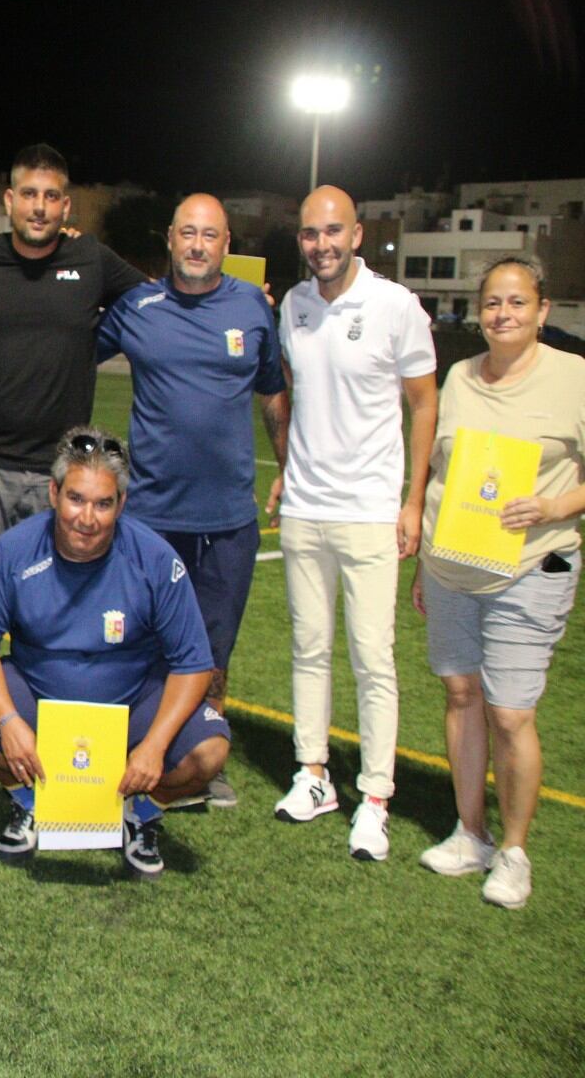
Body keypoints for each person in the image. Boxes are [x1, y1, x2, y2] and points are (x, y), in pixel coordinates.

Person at [0, 427, 230, 877]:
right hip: (40, 697)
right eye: (76, 499)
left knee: (210, 752)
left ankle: (140, 812)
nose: (88, 517)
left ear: (121, 504)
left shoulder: (155, 559)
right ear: (53, 493)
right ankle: (32, 802)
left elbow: (194, 663)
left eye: (103, 504)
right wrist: (9, 723)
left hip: (132, 701)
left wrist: (154, 746)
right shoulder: (13, 551)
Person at [95, 193, 288, 808]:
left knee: (212, 647)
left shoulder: (253, 311)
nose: (198, 245)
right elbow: (70, 345)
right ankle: (127, 745)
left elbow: (274, 394)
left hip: (229, 519)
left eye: (210, 235)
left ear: (226, 244)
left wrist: (289, 469)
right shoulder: (137, 307)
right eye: (187, 234)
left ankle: (204, 753)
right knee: (138, 639)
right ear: (170, 240)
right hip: (150, 514)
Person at [268, 184, 437, 860]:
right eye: (310, 233)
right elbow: (297, 396)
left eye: (333, 231)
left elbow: (425, 407)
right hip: (306, 509)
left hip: (369, 511)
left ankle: (374, 796)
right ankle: (313, 776)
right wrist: (286, 467)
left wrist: (414, 499)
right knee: (309, 651)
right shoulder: (296, 308)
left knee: (373, 660)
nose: (322, 244)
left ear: (357, 234)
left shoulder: (397, 306)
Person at [413, 256, 584, 909]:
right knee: (461, 694)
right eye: (492, 303)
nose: (502, 314)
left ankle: (514, 851)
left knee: (510, 712)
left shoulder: (574, 378)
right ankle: (471, 833)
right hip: (454, 565)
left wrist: (552, 506)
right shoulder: (458, 377)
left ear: (542, 310)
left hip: (534, 564)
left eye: (516, 303)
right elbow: (440, 477)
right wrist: (427, 561)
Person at [0, 143, 147, 591]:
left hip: (59, 469)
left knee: (50, 607)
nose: (39, 207)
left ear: (65, 205)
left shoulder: (90, 260)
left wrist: (239, 294)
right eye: (29, 194)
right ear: (9, 200)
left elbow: (160, 302)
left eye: (51, 197)